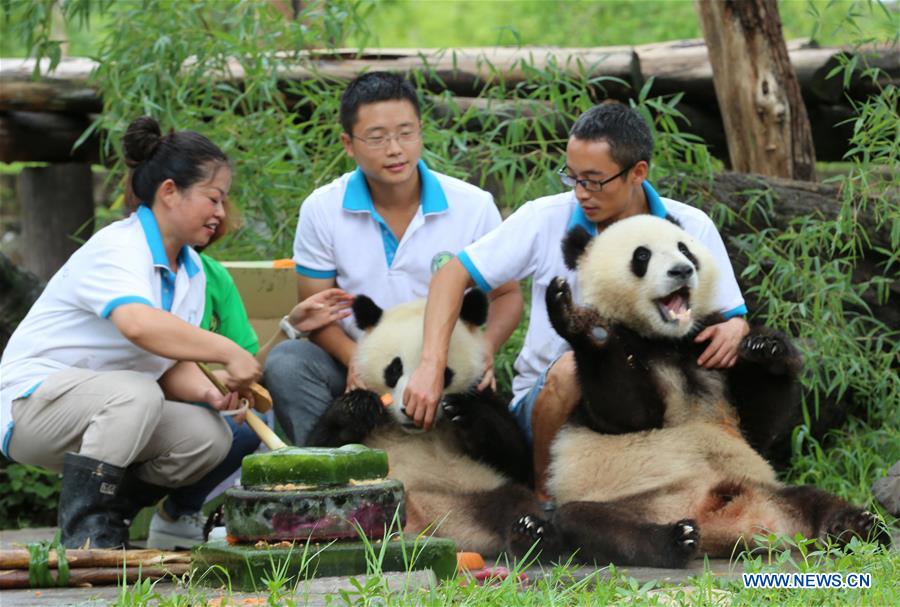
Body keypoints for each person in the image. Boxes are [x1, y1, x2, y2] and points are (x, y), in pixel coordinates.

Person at [403, 103, 750, 499]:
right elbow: (452, 274)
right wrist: (431, 364)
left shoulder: (690, 225)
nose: (581, 193)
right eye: (573, 177)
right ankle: (543, 495)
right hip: (556, 407)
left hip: (646, 400)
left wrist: (736, 328)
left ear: (638, 172)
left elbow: (730, 317)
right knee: (576, 366)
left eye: (595, 181)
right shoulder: (545, 219)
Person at [0, 116, 264, 549]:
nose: (221, 213)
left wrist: (212, 396)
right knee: (136, 394)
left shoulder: (193, 272)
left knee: (207, 435)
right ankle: (84, 533)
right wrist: (228, 350)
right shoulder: (118, 247)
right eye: (213, 198)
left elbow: (166, 366)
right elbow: (139, 326)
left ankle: (111, 519)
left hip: (115, 409)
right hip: (32, 405)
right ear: (169, 192)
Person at [264, 71, 523, 446]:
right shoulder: (323, 209)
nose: (395, 149)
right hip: (363, 372)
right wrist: (357, 359)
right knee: (288, 362)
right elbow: (317, 311)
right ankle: (326, 477)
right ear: (348, 144)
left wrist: (485, 350)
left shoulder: (472, 205)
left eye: (405, 133)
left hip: (446, 367)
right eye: (377, 137)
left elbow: (507, 295)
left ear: (420, 130)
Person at [138, 197, 352, 549]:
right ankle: (110, 513)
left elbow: (249, 369)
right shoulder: (130, 272)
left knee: (244, 428)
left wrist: (290, 327)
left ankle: (179, 514)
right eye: (210, 198)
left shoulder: (211, 276)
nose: (219, 213)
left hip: (196, 405)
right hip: (142, 403)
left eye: (222, 200)